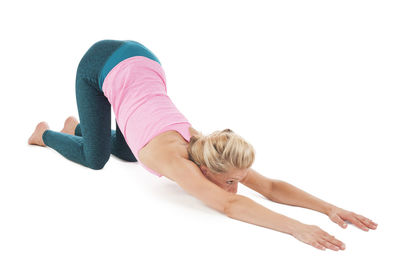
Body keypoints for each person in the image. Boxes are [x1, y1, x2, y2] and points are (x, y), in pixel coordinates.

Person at [28, 39, 378, 251]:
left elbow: (269, 186)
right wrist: (298, 228)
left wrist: (330, 208)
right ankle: (45, 133)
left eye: (236, 180)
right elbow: (229, 206)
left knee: (129, 151)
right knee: (97, 157)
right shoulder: (178, 162)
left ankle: (80, 126)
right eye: (230, 181)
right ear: (204, 169)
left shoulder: (212, 149)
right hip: (100, 63)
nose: (237, 185)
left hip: (144, 64)